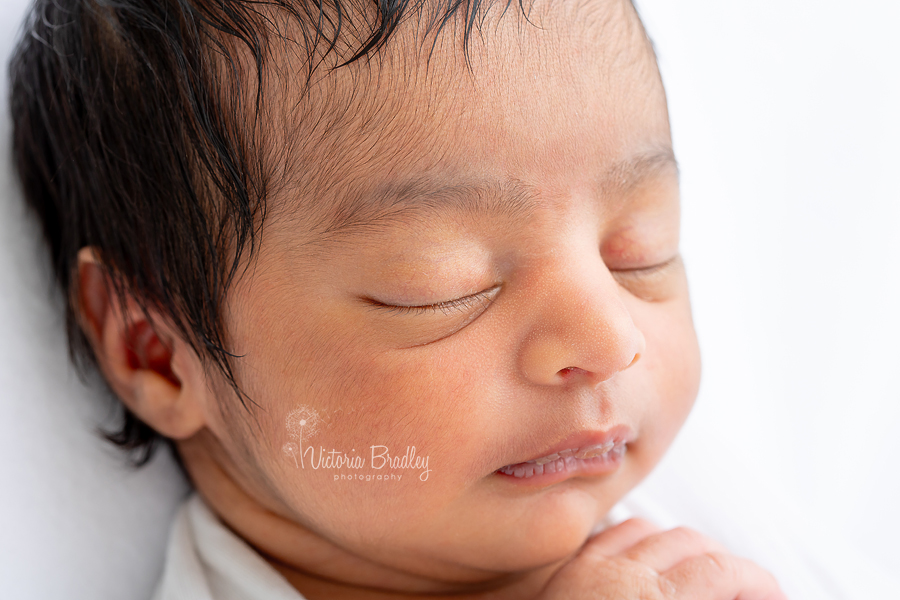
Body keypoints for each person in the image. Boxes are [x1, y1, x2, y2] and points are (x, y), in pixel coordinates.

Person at [8, 0, 788, 598]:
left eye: (639, 252)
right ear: (159, 353)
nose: (609, 338)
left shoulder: (708, 510)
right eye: (444, 288)